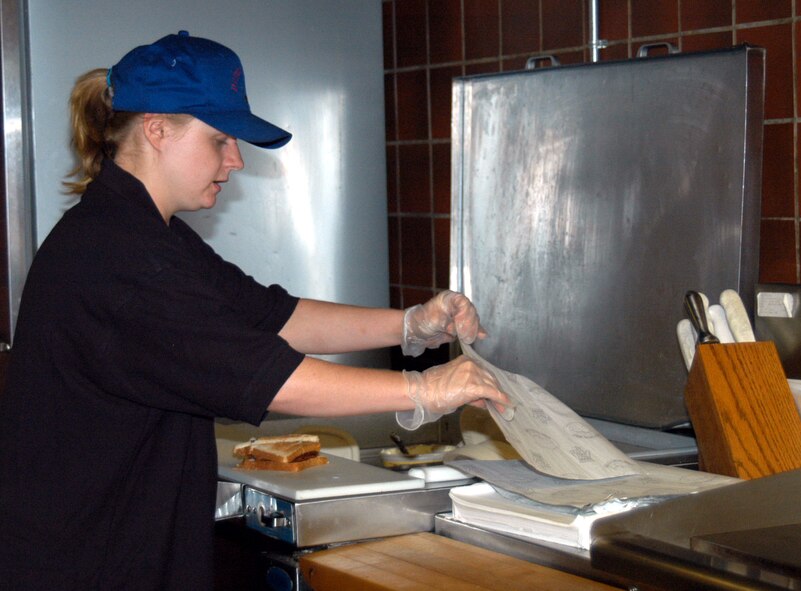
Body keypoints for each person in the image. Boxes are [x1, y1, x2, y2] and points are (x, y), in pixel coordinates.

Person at [0, 31, 509, 590]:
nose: (236, 160)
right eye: (221, 139)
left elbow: (273, 315)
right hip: (87, 566)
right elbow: (271, 379)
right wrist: (425, 390)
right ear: (156, 129)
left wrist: (413, 322)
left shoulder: (147, 234)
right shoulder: (118, 258)